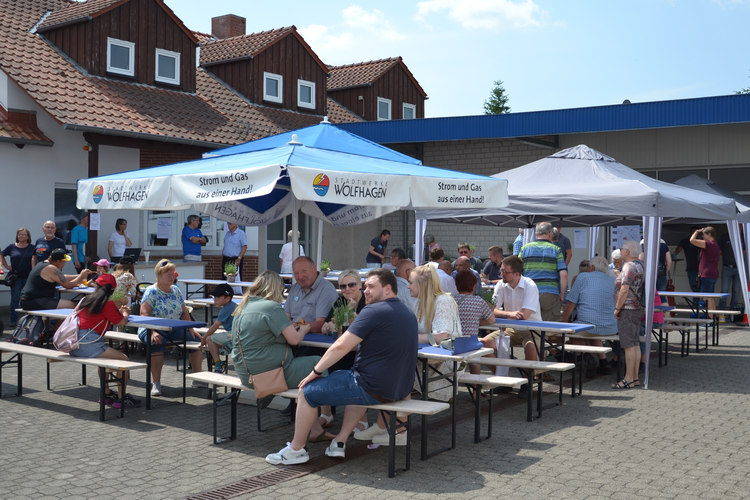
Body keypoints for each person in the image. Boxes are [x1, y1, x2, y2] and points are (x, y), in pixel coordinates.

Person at [265, 269, 418, 464]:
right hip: (399, 389)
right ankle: (339, 441)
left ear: (388, 289)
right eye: (366, 286)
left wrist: (315, 371)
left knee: (306, 391)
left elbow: (341, 345)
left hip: (372, 387)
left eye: (371, 286)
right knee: (347, 377)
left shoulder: (373, 310)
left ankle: (296, 450)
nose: (366, 290)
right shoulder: (407, 312)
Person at [231, 271, 331, 446]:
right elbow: (294, 339)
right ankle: (327, 415)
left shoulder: (242, 307)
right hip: (268, 375)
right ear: (275, 289)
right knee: (319, 364)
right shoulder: (271, 307)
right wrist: (305, 329)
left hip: (247, 375)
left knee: (306, 376)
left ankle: (315, 429)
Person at [68, 273, 140, 409]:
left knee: (103, 362)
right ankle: (121, 398)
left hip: (74, 344)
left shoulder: (85, 300)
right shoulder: (108, 304)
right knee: (124, 360)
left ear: (96, 286)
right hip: (89, 344)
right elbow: (122, 322)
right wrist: (125, 312)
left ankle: (106, 394)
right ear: (112, 290)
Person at [137, 259, 204, 397]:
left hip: (173, 328)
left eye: (172, 273)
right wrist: (153, 331)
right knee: (157, 342)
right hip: (151, 328)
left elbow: (184, 312)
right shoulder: (151, 291)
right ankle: (156, 383)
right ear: (159, 275)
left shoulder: (176, 290)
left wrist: (191, 328)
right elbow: (144, 314)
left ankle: (197, 378)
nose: (171, 276)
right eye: (167, 273)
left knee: (196, 340)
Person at [482, 255, 542, 398]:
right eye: (501, 270)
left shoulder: (530, 285)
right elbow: (492, 310)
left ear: (517, 274)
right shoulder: (501, 284)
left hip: (532, 329)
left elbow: (525, 315)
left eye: (504, 271)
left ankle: (527, 383)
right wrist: (509, 314)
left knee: (531, 347)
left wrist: (504, 315)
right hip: (510, 328)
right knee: (482, 344)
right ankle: (503, 380)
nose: (500, 274)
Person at [407, 265, 461, 402]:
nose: (408, 286)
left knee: (397, 368)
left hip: (447, 360)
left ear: (423, 284)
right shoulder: (418, 303)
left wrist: (411, 338)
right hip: (426, 357)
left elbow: (440, 338)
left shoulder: (443, 301)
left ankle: (398, 415)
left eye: (410, 282)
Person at [561, 256, 616, 378]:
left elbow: (571, 302)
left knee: (574, 332)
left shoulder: (582, 277)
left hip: (589, 325)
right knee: (592, 328)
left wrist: (563, 321)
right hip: (611, 327)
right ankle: (604, 362)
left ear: (592, 267)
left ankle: (587, 357)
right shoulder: (612, 280)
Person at [612, 239, 645, 389]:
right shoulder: (640, 265)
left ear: (627, 251)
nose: (620, 250)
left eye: (622, 248)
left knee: (629, 345)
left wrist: (618, 308)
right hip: (637, 309)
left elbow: (625, 289)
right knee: (635, 343)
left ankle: (628, 379)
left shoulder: (629, 266)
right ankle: (635, 377)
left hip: (628, 309)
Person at [519, 222, 568, 322]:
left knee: (530, 326)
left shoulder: (525, 248)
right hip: (550, 293)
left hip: (529, 292)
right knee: (549, 328)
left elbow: (517, 270)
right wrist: (562, 293)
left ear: (536, 233)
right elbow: (564, 274)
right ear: (550, 233)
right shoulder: (556, 249)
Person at [453, 270, 495, 375]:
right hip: (471, 342)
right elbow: (491, 320)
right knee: (476, 360)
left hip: (454, 342)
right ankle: (476, 390)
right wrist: (476, 321)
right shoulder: (479, 301)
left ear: (457, 286)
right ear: (473, 286)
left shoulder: (452, 300)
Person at [20, 248, 91, 311]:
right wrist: (81, 277)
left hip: (30, 300)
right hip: (33, 301)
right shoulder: (51, 268)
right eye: (64, 261)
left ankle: (56, 326)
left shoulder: (42, 263)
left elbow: (62, 277)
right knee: (71, 305)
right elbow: (68, 286)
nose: (64, 263)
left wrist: (80, 275)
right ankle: (61, 326)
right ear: (57, 261)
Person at [284, 256, 338, 333]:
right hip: (292, 336)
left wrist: (296, 326)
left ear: (314, 268)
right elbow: (286, 315)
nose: (300, 276)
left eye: (303, 271)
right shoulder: (295, 288)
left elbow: (321, 324)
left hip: (313, 341)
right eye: (296, 273)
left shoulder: (326, 289)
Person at [1, 227, 35, 327]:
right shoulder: (12, 247)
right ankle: (13, 319)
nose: (21, 236)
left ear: (28, 237)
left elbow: (35, 259)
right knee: (15, 298)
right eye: (19, 234)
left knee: (27, 299)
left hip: (28, 277)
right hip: (16, 278)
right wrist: (6, 265)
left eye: (23, 234)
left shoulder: (32, 247)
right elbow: (2, 254)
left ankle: (28, 319)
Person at [200, 284, 237, 374]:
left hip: (234, 334)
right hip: (237, 333)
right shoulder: (232, 305)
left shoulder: (226, 308)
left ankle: (218, 365)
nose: (214, 300)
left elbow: (214, 327)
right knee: (214, 344)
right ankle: (228, 345)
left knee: (210, 339)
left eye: (217, 297)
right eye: (213, 297)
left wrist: (204, 339)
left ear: (227, 298)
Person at [690, 226, 720, 318]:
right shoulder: (715, 244)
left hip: (708, 274)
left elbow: (692, 240)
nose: (702, 236)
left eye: (703, 234)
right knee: (710, 297)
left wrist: (696, 231)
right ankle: (712, 317)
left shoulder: (709, 244)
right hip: (712, 273)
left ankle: (710, 318)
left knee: (708, 298)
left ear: (709, 234)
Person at [717, 231, 744, 311]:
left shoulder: (743, 237)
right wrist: (726, 255)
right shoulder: (724, 236)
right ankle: (722, 311)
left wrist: (739, 256)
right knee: (724, 290)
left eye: (741, 226)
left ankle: (733, 311)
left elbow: (745, 250)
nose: (740, 227)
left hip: (738, 268)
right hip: (727, 267)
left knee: (736, 291)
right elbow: (719, 250)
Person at [675, 227, 702, 292]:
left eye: (696, 232)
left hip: (701, 268)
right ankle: (695, 301)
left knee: (701, 286)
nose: (694, 233)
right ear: (690, 233)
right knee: (693, 286)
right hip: (691, 268)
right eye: (693, 232)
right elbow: (677, 250)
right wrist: (671, 257)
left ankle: (699, 301)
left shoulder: (701, 242)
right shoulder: (685, 241)